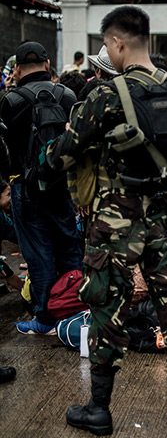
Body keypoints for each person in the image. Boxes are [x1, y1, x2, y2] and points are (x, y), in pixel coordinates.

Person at [46, 5, 167, 434]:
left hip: (114, 224)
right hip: (165, 218)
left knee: (107, 307)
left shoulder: (103, 95)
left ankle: (99, 410)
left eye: (105, 44)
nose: (107, 51)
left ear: (118, 42)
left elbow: (63, 153)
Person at [0, 41, 84, 335]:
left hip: (25, 188)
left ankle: (45, 319)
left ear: (18, 68)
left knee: (38, 255)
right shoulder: (68, 95)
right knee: (69, 247)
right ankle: (75, 311)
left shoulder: (10, 101)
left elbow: (4, 152)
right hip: (61, 186)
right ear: (48, 65)